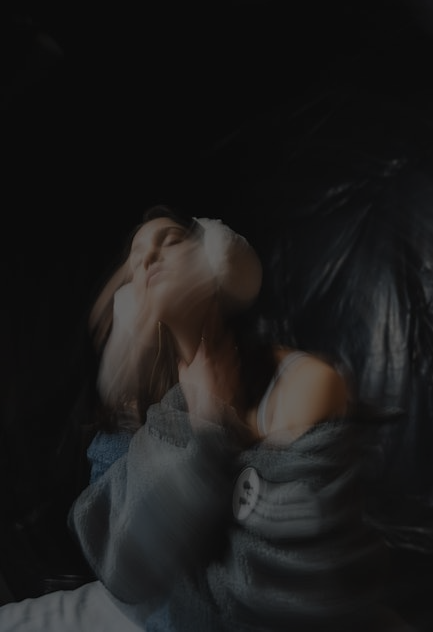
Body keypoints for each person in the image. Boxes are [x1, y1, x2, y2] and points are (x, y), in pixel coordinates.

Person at [0, 204, 416, 631]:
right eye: (136, 256)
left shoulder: (303, 383)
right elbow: (122, 563)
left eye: (170, 241)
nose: (148, 258)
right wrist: (198, 423)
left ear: (218, 260)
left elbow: (294, 588)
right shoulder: (132, 408)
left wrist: (194, 451)